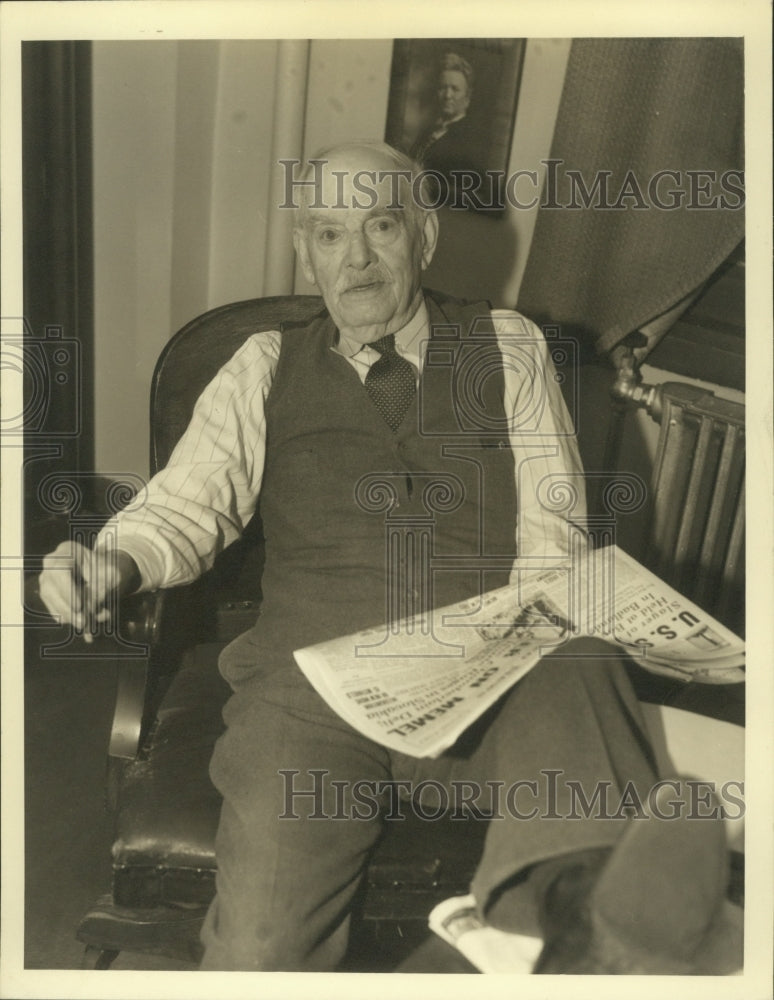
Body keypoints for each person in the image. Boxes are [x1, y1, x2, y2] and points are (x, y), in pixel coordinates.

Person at [39, 141, 733, 974]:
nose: (357, 259)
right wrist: (111, 563)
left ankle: (573, 935)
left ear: (425, 237)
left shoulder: (507, 346)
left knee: (578, 666)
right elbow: (185, 507)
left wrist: (534, 634)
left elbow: (556, 540)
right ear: (306, 251)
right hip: (311, 697)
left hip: (486, 685)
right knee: (261, 947)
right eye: (330, 234)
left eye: (381, 225)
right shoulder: (264, 364)